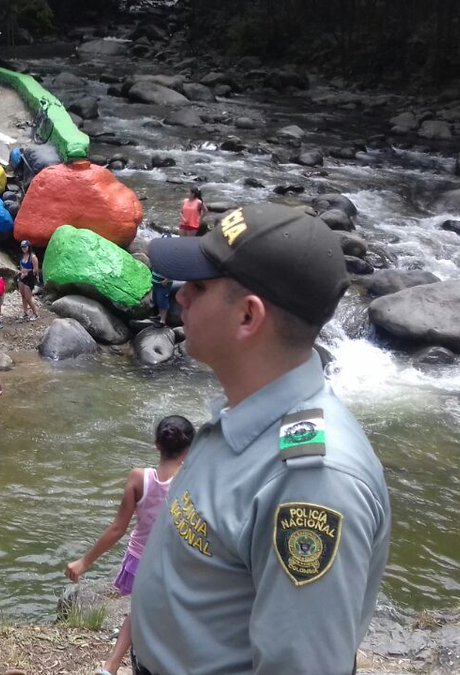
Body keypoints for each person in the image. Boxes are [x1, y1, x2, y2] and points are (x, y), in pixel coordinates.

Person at [131, 203, 391, 675]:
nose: (181, 294)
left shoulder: (313, 482)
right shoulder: (250, 415)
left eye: (200, 287)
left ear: (248, 316)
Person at [66, 415, 195, 675]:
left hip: (139, 561)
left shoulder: (139, 478)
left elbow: (118, 528)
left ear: (156, 445)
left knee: (138, 610)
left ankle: (111, 665)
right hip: (171, 562)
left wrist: (84, 562)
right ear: (189, 449)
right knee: (163, 614)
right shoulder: (190, 480)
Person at [17, 240, 41, 322]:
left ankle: (36, 313)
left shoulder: (33, 257)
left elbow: (36, 270)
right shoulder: (22, 256)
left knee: (28, 297)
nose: (23, 249)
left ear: (28, 247)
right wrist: (21, 273)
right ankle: (25, 313)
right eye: (22, 247)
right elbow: (21, 266)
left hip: (30, 277)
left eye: (25, 247)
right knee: (23, 295)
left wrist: (27, 272)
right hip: (22, 276)